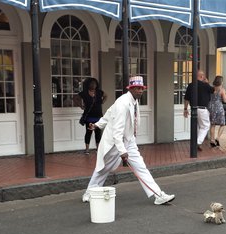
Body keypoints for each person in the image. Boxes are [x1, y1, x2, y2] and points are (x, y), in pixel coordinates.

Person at [82, 76, 175, 205]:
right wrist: (122, 151)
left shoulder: (133, 101)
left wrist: (97, 124)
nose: (140, 91)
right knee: (103, 168)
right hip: (115, 142)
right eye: (137, 88)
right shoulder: (123, 103)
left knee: (141, 167)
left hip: (129, 140)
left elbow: (109, 112)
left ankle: (158, 194)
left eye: (142, 88)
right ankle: (90, 192)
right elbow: (117, 130)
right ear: (130, 89)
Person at [184, 70, 215, 151]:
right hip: (202, 109)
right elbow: (213, 90)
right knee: (205, 126)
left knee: (197, 126)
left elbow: (186, 98)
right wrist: (207, 83)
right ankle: (197, 142)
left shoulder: (190, 85)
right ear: (201, 76)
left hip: (194, 109)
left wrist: (185, 109)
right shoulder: (205, 85)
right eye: (203, 75)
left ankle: (197, 143)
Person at [74, 78, 106, 154]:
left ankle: (98, 148)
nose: (93, 85)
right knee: (89, 132)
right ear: (88, 84)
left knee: (98, 133)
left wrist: (102, 102)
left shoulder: (99, 92)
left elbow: (106, 95)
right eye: (91, 84)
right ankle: (87, 149)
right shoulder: (84, 93)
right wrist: (81, 106)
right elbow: (75, 98)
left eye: (95, 84)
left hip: (98, 115)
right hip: (89, 116)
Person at [207, 75, 226, 147]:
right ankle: (217, 138)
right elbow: (225, 100)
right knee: (222, 124)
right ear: (221, 82)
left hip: (211, 107)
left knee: (212, 124)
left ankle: (212, 140)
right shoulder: (222, 89)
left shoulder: (211, 88)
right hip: (218, 107)